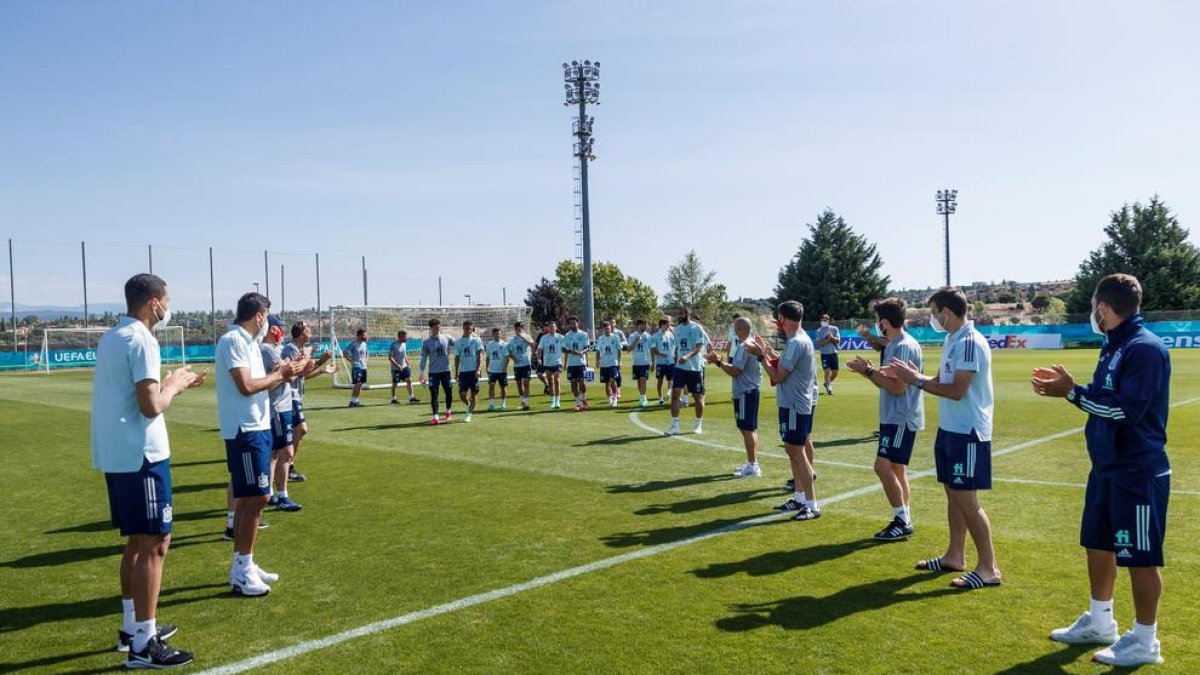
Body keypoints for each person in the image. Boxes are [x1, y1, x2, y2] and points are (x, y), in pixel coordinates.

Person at [1033, 274, 1171, 667]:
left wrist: (1072, 393)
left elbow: (1127, 412)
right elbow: (1103, 397)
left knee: (1140, 558)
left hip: (1137, 472)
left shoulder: (1144, 349)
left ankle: (1146, 641)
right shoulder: (1114, 345)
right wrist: (1075, 390)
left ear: (1103, 309)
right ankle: (1100, 621)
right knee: (1098, 544)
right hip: (1107, 469)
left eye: (1094, 304)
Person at [91, 274, 204, 668]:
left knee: (137, 543)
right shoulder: (141, 338)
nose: (167, 306)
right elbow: (151, 405)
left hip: (120, 454)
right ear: (154, 302)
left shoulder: (112, 336)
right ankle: (144, 643)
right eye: (166, 299)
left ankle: (133, 627)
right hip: (142, 456)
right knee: (155, 542)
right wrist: (176, 384)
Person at [888, 287, 1001, 591]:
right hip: (951, 429)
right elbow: (940, 381)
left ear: (947, 313)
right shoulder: (952, 340)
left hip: (969, 432)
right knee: (953, 495)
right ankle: (955, 555)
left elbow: (957, 390)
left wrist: (917, 380)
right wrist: (918, 376)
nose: (933, 318)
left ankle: (989, 567)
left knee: (966, 499)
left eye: (934, 313)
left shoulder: (968, 342)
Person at [215, 292, 309, 597]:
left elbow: (261, 382)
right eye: (266, 315)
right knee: (256, 498)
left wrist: (285, 374)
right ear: (258, 316)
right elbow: (246, 386)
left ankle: (246, 563)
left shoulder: (250, 344)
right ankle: (241, 570)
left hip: (257, 424)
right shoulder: (233, 341)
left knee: (252, 498)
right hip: (245, 429)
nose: (269, 321)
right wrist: (280, 374)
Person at [846, 298, 924, 541]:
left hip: (900, 417)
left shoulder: (902, 346)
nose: (878, 325)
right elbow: (889, 382)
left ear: (885, 322)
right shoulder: (895, 344)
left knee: (882, 466)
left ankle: (901, 520)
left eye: (879, 321)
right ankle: (905, 518)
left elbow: (898, 387)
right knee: (897, 469)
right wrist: (869, 372)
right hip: (894, 415)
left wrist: (868, 371)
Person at [757, 301, 820, 520]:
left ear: (783, 318)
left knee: (797, 452)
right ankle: (800, 497)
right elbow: (785, 365)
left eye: (778, 318)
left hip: (794, 403)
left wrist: (760, 357)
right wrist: (767, 353)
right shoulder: (801, 339)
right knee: (793, 451)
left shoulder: (795, 342)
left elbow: (777, 376)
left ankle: (811, 504)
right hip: (797, 402)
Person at [705, 316, 763, 478]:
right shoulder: (750, 344)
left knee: (747, 429)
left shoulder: (745, 346)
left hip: (745, 392)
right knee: (749, 429)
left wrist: (718, 362)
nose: (734, 331)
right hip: (749, 391)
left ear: (741, 330)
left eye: (735, 329)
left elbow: (735, 371)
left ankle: (753, 465)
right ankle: (752, 462)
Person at [279, 321, 333, 484]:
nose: (311, 333)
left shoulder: (300, 350)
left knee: (297, 432)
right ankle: (286, 467)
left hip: (295, 396)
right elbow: (295, 373)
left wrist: (321, 367)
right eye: (308, 331)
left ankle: (288, 466)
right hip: (288, 396)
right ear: (301, 333)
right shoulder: (290, 349)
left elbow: (303, 375)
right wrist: (318, 361)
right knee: (301, 429)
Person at [260, 315, 302, 513]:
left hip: (282, 405)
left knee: (276, 453)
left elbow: (290, 374)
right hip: (277, 407)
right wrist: (302, 362)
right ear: (271, 329)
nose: (281, 332)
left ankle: (269, 493)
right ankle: (282, 495)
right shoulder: (266, 350)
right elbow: (286, 376)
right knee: (286, 452)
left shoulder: (275, 349)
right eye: (278, 328)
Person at [665, 307, 709, 435]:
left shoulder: (696, 328)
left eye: (682, 313)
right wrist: (676, 359)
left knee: (697, 397)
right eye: (679, 313)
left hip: (694, 368)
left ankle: (698, 424)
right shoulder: (677, 329)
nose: (680, 315)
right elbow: (677, 347)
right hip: (680, 368)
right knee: (675, 395)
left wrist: (686, 356)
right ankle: (674, 426)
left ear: (688, 314)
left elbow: (698, 348)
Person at [419, 319, 454, 425]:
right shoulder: (427, 342)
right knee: (434, 394)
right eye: (435, 326)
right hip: (433, 372)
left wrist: (472, 335)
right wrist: (421, 373)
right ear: (431, 328)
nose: (438, 328)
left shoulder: (447, 338)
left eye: (439, 325)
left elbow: (459, 344)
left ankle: (448, 412)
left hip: (446, 371)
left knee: (448, 392)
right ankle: (436, 417)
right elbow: (424, 358)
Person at [453, 320, 484, 422]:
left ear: (472, 329)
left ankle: (469, 414)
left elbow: (480, 355)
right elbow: (456, 358)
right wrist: (456, 372)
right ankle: (470, 405)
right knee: (462, 395)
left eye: (470, 328)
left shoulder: (476, 340)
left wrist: (478, 369)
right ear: (463, 328)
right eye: (466, 328)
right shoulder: (458, 342)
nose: (468, 330)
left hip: (474, 371)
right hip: (463, 372)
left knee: (474, 393)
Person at [563, 317, 591, 411]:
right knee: (573, 382)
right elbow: (564, 349)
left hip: (581, 362)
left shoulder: (583, 334)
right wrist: (571, 351)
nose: (572, 325)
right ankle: (577, 402)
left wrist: (581, 352)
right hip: (571, 363)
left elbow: (587, 347)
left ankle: (584, 399)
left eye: (574, 323)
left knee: (582, 381)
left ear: (577, 323)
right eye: (570, 323)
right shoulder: (567, 335)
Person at [508, 321, 536, 410]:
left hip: (526, 363)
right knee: (519, 384)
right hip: (517, 365)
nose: (519, 329)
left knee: (526, 382)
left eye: (521, 327)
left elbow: (533, 345)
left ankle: (526, 403)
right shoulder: (513, 339)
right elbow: (509, 351)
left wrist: (524, 338)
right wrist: (514, 358)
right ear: (515, 329)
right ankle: (522, 401)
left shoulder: (527, 336)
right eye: (517, 328)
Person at [595, 319, 624, 407]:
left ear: (611, 328)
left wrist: (620, 362)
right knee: (606, 383)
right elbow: (598, 351)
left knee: (612, 380)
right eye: (606, 328)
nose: (608, 330)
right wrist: (597, 361)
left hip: (613, 363)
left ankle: (615, 398)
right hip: (604, 364)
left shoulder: (615, 337)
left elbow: (619, 350)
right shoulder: (601, 338)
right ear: (603, 329)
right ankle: (609, 399)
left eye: (609, 328)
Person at [626, 319, 653, 407]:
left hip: (645, 362)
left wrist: (652, 362)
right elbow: (629, 349)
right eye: (643, 325)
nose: (645, 326)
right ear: (638, 326)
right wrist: (636, 341)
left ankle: (642, 398)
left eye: (646, 325)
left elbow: (651, 349)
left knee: (643, 379)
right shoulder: (632, 336)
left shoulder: (648, 336)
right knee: (639, 381)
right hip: (636, 362)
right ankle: (642, 396)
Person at [538, 320, 565, 409]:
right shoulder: (544, 338)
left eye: (553, 327)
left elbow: (566, 347)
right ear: (548, 328)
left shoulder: (561, 337)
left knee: (557, 379)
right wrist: (538, 358)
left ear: (556, 328)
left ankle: (558, 400)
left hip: (557, 362)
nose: (552, 328)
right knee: (550, 381)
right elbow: (540, 349)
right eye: (550, 327)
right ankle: (553, 400)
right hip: (547, 362)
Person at [389, 330, 418, 405]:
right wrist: (397, 365)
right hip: (395, 368)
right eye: (404, 337)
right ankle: (393, 399)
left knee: (409, 380)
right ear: (400, 337)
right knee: (395, 383)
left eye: (406, 336)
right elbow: (390, 357)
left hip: (404, 366)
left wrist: (408, 363)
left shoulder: (404, 344)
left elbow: (404, 354)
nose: (406, 338)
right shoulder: (394, 345)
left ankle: (411, 397)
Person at [342, 328, 369, 407]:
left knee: (360, 384)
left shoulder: (364, 344)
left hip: (364, 367)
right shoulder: (353, 344)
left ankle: (356, 401)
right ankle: (352, 401)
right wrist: (351, 361)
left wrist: (366, 360)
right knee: (358, 383)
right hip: (357, 366)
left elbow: (367, 352)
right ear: (359, 336)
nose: (365, 337)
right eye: (364, 335)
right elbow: (345, 353)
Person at [651, 318, 675, 406]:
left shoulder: (671, 335)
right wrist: (659, 353)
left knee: (671, 380)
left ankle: (669, 392)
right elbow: (653, 349)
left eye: (669, 324)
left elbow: (676, 344)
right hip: (661, 363)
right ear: (661, 325)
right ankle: (660, 398)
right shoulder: (655, 336)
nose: (668, 326)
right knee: (660, 381)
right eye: (667, 324)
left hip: (671, 362)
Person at [485, 327, 510, 411]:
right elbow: (488, 357)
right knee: (491, 386)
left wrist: (505, 368)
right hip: (492, 370)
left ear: (501, 334)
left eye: (498, 333)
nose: (497, 335)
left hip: (502, 370)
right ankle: (491, 404)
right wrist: (487, 367)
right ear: (493, 335)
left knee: (503, 387)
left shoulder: (504, 344)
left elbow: (507, 357)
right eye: (495, 334)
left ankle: (503, 404)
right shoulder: (489, 345)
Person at [816, 314, 841, 395]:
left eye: (826, 319)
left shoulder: (834, 329)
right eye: (823, 320)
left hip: (833, 353)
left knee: (835, 372)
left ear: (828, 320)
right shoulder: (819, 331)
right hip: (824, 354)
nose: (824, 321)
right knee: (827, 371)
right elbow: (819, 344)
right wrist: (828, 339)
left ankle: (827, 383)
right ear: (821, 321)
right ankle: (829, 389)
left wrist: (832, 338)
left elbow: (838, 340)